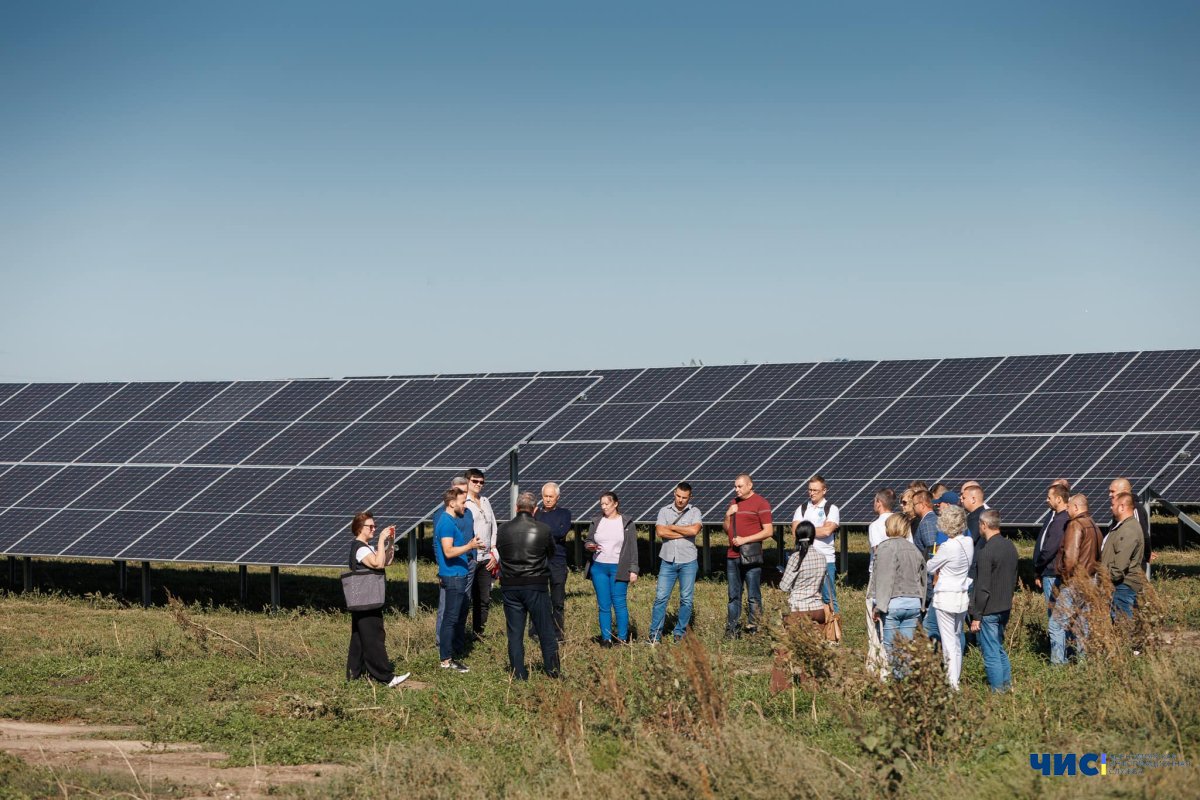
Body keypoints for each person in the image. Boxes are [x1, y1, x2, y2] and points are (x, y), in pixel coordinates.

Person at [495, 491, 560, 680]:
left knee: (515, 633)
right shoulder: (543, 529)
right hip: (536, 585)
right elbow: (551, 552)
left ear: (516, 508)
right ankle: (553, 672)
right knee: (545, 630)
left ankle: (519, 674)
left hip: (510, 586)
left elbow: (500, 551)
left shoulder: (503, 529)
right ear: (535, 509)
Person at [345, 511, 410, 688]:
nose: (374, 528)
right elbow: (377, 564)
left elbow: (387, 560)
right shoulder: (360, 548)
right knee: (374, 637)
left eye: (375, 526)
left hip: (364, 599)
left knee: (359, 637)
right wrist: (381, 540)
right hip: (367, 600)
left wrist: (389, 542)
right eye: (370, 526)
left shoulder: (365, 547)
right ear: (360, 528)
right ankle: (386, 677)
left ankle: (354, 674)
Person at [770, 520, 826, 692]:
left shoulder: (795, 558)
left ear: (796, 536)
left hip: (798, 610)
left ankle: (780, 688)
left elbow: (784, 586)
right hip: (817, 609)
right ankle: (812, 687)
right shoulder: (821, 556)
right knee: (812, 650)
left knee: (784, 651)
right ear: (814, 536)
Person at [869, 513, 926, 678]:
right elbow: (922, 577)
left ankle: (899, 687)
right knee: (907, 649)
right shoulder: (914, 549)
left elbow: (883, 579)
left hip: (892, 604)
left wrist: (878, 605)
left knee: (893, 649)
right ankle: (907, 685)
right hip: (914, 603)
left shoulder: (885, 548)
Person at [968, 509, 1017, 692]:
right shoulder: (1010, 547)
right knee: (999, 648)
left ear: (983, 525)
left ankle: (997, 692)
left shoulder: (986, 552)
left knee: (990, 653)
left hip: (989, 609)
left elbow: (982, 587)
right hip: (1005, 606)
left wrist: (976, 615)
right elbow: (1013, 578)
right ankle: (1006, 685)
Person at [925, 504, 973, 690]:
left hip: (945, 597)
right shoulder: (968, 542)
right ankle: (956, 679)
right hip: (961, 595)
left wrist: (934, 561)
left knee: (948, 642)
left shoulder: (947, 546)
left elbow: (930, 566)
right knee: (956, 637)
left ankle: (952, 683)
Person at [649, 482, 704, 643]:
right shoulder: (664, 511)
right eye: (678, 496)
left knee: (686, 599)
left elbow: (694, 531)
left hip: (688, 561)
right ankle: (655, 635)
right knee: (660, 598)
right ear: (674, 493)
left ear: (690, 497)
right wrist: (683, 531)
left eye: (684, 497)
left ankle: (679, 633)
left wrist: (672, 528)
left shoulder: (695, 512)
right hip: (667, 560)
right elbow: (660, 532)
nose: (680, 500)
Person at [584, 491, 640, 646]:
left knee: (619, 602)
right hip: (599, 568)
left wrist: (634, 569)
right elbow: (588, 539)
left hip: (619, 568)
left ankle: (622, 638)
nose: (604, 507)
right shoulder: (596, 521)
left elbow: (632, 548)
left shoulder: (627, 523)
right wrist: (589, 546)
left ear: (615, 504)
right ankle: (606, 638)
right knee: (603, 604)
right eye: (601, 504)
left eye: (606, 504)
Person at [1052, 494, 1101, 665]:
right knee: (1082, 626)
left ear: (1076, 507)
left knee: (1056, 625)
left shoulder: (1075, 525)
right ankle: (1083, 665)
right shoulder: (1094, 525)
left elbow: (1071, 558)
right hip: (1090, 581)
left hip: (1075, 581)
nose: (1066, 510)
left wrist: (1065, 577)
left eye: (1069, 507)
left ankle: (1057, 666)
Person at [434, 486, 478, 672]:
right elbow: (448, 551)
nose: (464, 506)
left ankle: (448, 656)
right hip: (453, 577)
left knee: (453, 617)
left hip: (457, 575)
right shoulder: (445, 523)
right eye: (462, 502)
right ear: (452, 503)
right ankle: (446, 659)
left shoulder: (450, 521)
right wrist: (469, 546)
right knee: (451, 619)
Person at [726, 473, 774, 637]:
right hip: (732, 556)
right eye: (735, 486)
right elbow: (726, 528)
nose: (736, 489)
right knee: (733, 596)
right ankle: (732, 630)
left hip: (751, 556)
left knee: (753, 596)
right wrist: (728, 514)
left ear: (749, 485)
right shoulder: (733, 503)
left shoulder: (761, 503)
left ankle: (755, 629)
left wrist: (745, 539)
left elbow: (768, 531)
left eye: (739, 486)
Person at [793, 475, 840, 613]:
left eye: (815, 490)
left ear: (824, 490)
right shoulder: (801, 508)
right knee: (806, 597)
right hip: (805, 560)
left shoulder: (831, 508)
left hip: (826, 560)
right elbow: (795, 531)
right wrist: (817, 529)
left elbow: (827, 531)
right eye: (810, 490)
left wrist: (806, 530)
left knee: (829, 597)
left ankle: (833, 629)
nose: (812, 493)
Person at [534, 482, 572, 642]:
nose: (548, 499)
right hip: (539, 561)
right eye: (545, 496)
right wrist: (550, 532)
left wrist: (542, 531)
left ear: (557, 497)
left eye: (551, 496)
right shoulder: (536, 514)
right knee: (538, 598)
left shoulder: (564, 513)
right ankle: (536, 631)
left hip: (557, 561)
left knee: (557, 600)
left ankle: (558, 633)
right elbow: (533, 531)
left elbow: (562, 531)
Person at [464, 468, 499, 639]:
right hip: (470, 558)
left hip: (486, 559)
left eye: (481, 482)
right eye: (475, 481)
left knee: (484, 599)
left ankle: (478, 633)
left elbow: (493, 527)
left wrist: (494, 553)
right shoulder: (464, 503)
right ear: (467, 482)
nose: (478, 484)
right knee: (465, 598)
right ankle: (460, 634)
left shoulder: (485, 501)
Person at [865, 488, 897, 673]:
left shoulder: (876, 526)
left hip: (878, 576)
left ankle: (875, 662)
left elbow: (878, 552)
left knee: (874, 619)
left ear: (879, 502)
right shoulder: (902, 522)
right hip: (899, 577)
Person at [1103, 491, 1146, 620]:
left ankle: (1126, 641)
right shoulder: (1122, 526)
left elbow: (1120, 564)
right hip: (1119, 585)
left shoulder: (1129, 529)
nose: (1111, 508)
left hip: (1123, 585)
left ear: (1122, 507)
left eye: (1113, 505)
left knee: (1122, 624)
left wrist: (1107, 580)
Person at [1032, 483, 1070, 625]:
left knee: (1055, 618)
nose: (1046, 500)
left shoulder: (1061, 520)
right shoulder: (1056, 518)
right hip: (1050, 571)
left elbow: (1049, 549)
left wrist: (1038, 566)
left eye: (1049, 497)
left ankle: (1060, 647)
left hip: (1052, 572)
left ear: (1059, 499)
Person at [1108, 477, 1152, 574]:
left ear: (1124, 492)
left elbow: (1143, 535)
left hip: (1132, 568)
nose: (1110, 494)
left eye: (1112, 491)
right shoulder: (1118, 510)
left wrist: (1147, 555)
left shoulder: (1134, 510)